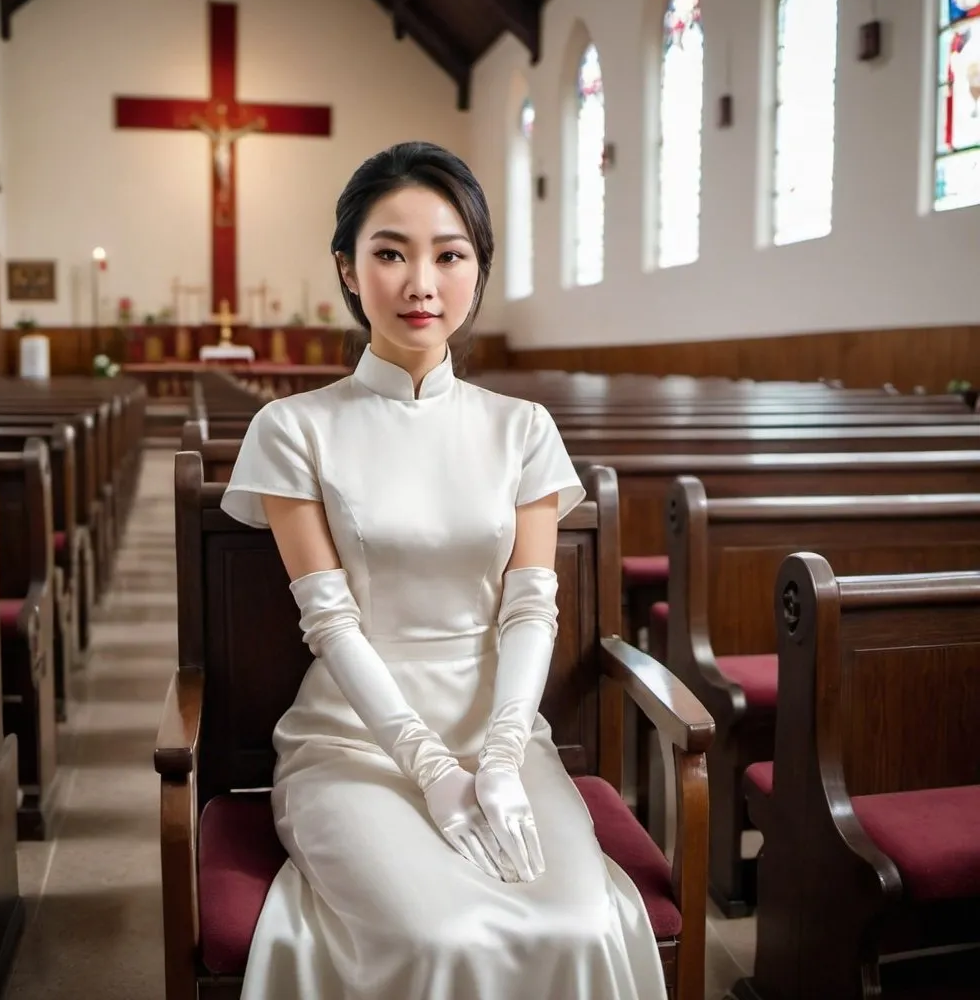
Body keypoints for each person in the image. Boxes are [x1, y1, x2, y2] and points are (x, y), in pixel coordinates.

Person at [220, 141, 668, 1000]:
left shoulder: (523, 426)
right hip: (354, 738)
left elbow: (531, 610)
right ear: (349, 270)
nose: (421, 282)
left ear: (477, 270)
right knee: (441, 933)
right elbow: (331, 621)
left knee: (576, 923)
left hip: (500, 730)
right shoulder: (293, 427)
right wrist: (427, 767)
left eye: (449, 254)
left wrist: (499, 755)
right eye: (390, 252)